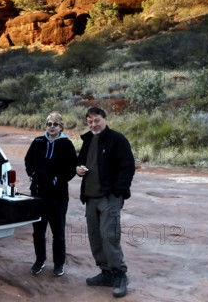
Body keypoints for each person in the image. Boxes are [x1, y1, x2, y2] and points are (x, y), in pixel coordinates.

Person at [76, 107, 135, 298]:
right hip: (91, 197)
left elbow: (128, 167)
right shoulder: (88, 140)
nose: (93, 124)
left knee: (109, 235)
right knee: (95, 236)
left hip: (109, 197)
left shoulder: (117, 140)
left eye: (97, 120)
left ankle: (120, 275)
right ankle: (106, 273)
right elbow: (80, 162)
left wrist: (118, 192)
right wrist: (78, 169)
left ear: (105, 119)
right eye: (90, 121)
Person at [25, 111, 77, 277]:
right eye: (49, 124)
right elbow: (28, 161)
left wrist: (57, 181)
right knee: (38, 232)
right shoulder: (38, 141)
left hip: (58, 196)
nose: (52, 127)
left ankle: (59, 264)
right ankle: (39, 261)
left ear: (61, 126)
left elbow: (71, 169)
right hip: (38, 194)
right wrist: (33, 174)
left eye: (55, 124)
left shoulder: (66, 145)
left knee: (58, 233)